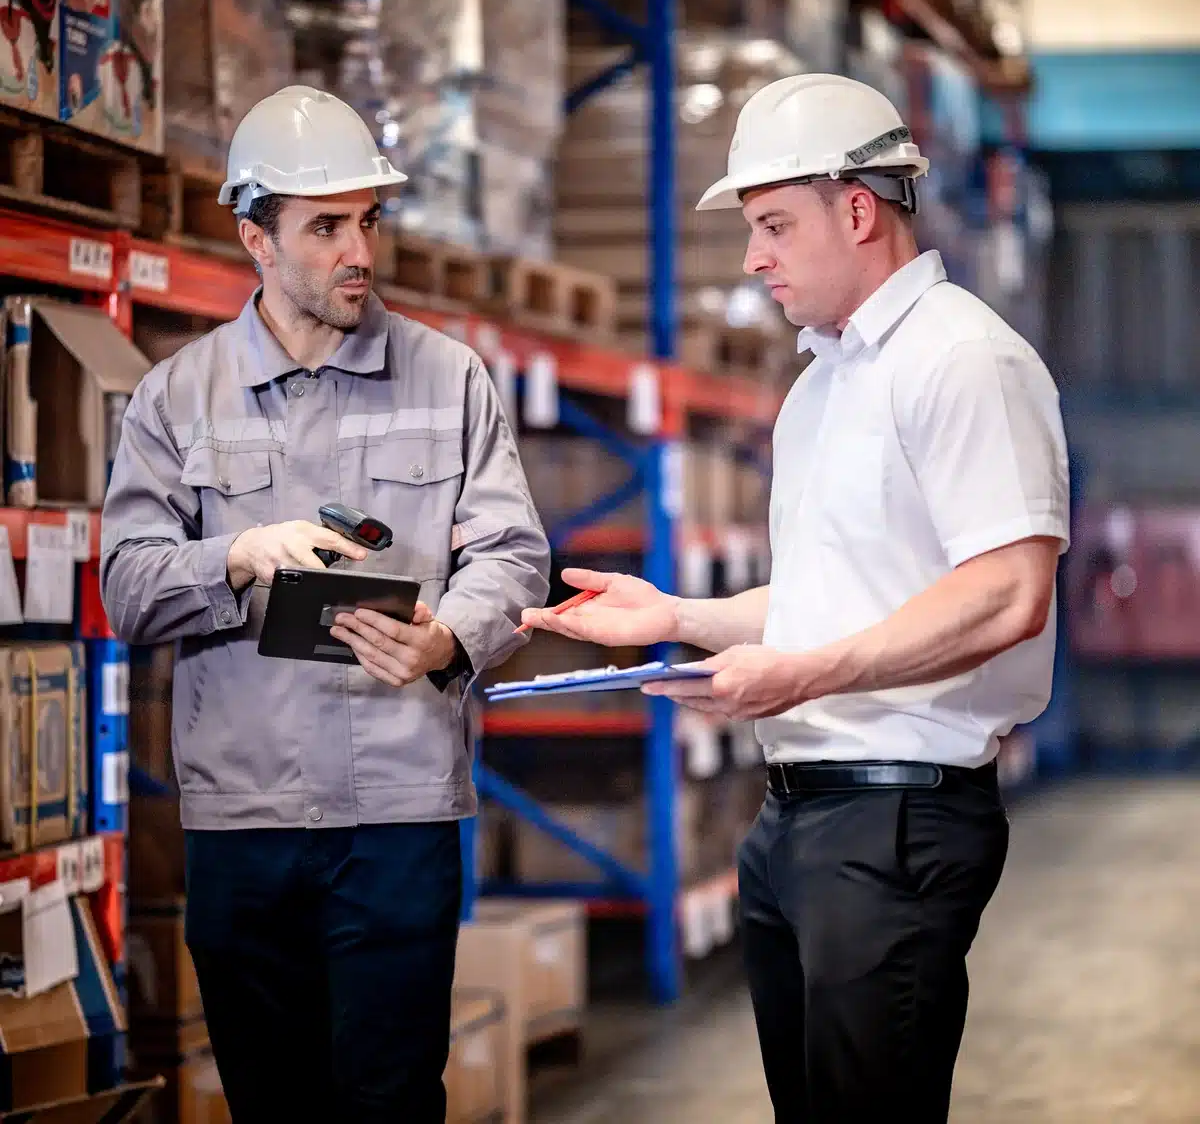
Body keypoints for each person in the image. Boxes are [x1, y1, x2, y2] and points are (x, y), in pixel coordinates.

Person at [520, 73, 1069, 1122]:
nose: (753, 257)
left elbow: (1007, 593)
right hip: (800, 822)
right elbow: (834, 597)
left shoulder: (962, 360)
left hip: (896, 819)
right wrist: (676, 617)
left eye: (772, 223)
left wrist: (802, 677)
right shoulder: (824, 386)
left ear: (857, 209)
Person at [100, 86, 550, 1122]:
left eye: (369, 222)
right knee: (273, 1104)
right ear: (255, 237)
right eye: (327, 227)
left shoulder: (449, 379)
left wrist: (447, 636)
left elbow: (516, 555)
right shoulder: (176, 397)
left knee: (392, 1100)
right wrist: (240, 556)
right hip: (243, 821)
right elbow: (127, 586)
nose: (360, 251)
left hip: (397, 812)